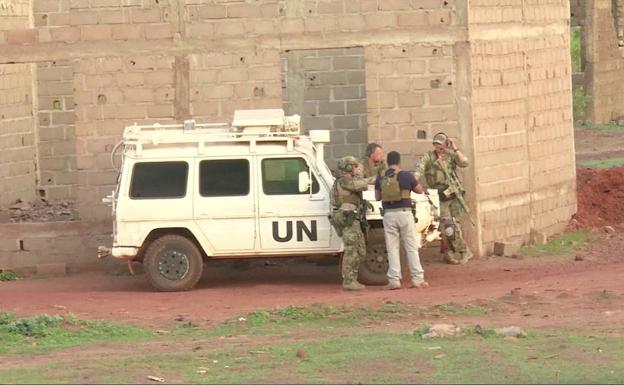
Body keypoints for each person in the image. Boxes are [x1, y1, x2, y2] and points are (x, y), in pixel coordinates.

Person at [416, 132, 473, 265]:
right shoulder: (429, 158)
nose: (438, 147)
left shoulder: (450, 156)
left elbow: (465, 163)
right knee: (447, 226)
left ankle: (454, 252)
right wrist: (415, 179)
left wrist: (455, 148)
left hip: (453, 195)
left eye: (441, 144)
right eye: (436, 144)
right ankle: (462, 250)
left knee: (454, 226)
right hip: (439, 196)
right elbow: (419, 169)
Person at [375, 151, 428, 290]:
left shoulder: (381, 177)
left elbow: (377, 197)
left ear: (388, 162)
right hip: (405, 214)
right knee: (411, 247)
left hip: (389, 215)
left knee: (392, 248)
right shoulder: (406, 175)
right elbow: (419, 191)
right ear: (399, 162)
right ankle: (417, 279)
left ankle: (394, 280)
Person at [329, 156, 369, 291]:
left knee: (359, 250)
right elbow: (362, 185)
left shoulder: (343, 181)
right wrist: (362, 176)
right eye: (354, 166)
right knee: (351, 249)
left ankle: (352, 279)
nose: (355, 169)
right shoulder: (345, 181)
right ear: (348, 167)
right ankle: (349, 281)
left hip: (351, 217)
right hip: (348, 218)